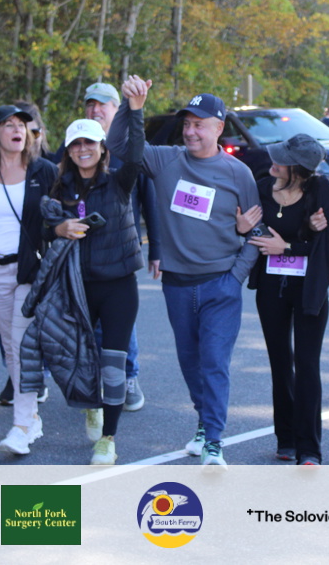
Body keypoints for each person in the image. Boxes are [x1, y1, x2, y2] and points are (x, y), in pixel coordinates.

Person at [107, 81, 260, 467]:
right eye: (187, 124)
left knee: (214, 363)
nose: (190, 131)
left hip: (220, 285)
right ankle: (204, 423)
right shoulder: (166, 161)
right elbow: (120, 146)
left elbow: (255, 231)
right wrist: (132, 107)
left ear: (219, 128)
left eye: (199, 125)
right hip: (177, 286)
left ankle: (214, 442)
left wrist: (235, 278)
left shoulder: (238, 173)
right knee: (191, 364)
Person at [43, 92, 146, 464]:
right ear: (68, 151)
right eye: (76, 144)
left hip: (118, 286)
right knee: (83, 362)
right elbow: (40, 228)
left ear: (103, 149)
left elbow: (136, 153)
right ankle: (91, 406)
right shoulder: (59, 189)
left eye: (89, 143)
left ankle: (108, 439)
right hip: (76, 289)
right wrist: (58, 228)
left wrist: (136, 111)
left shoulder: (119, 181)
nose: (83, 149)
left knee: (113, 364)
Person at [54, 82, 160, 414]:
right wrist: (57, 228)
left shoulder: (122, 161)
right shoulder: (69, 159)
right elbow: (48, 212)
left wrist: (156, 247)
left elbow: (148, 195)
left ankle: (128, 377)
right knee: (88, 332)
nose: (95, 110)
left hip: (118, 260)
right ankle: (96, 387)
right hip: (80, 267)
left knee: (119, 328)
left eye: (103, 104)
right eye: (90, 104)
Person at [241, 134, 329, 466]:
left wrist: (288, 246)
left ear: (298, 169)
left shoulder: (320, 191)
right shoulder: (261, 187)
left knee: (307, 364)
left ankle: (309, 448)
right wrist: (244, 228)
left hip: (309, 289)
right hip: (271, 286)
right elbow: (250, 231)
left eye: (282, 160)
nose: (274, 162)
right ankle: (285, 439)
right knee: (280, 363)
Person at [0, 105, 57, 456]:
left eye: (22, 124)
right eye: (9, 124)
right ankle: (31, 417)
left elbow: (62, 209)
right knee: (10, 346)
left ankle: (21, 426)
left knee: (21, 346)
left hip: (29, 270)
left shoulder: (43, 170)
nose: (18, 130)